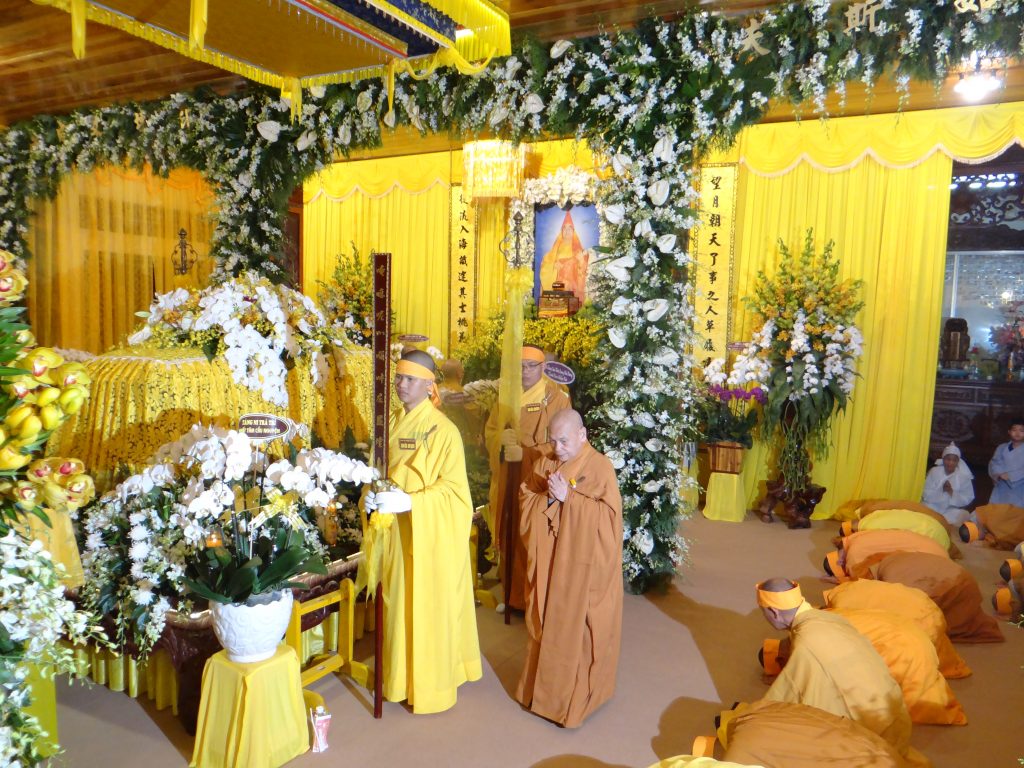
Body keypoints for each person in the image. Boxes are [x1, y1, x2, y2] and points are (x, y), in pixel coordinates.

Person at [361, 350, 482, 713]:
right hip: (394, 534)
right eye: (399, 377)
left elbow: (455, 493)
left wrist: (411, 502)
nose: (401, 385)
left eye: (410, 379)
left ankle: (431, 686)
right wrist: (371, 496)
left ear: (430, 385)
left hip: (428, 535)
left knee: (427, 609)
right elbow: (376, 471)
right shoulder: (389, 423)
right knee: (396, 606)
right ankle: (398, 678)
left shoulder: (444, 431)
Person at [515, 409, 623, 728]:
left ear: (582, 435)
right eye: (553, 441)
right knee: (544, 619)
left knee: (580, 628)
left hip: (581, 569)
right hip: (550, 562)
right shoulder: (546, 463)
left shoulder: (600, 468)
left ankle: (572, 704)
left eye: (564, 441)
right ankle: (540, 693)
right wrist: (549, 500)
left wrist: (569, 499)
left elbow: (610, 523)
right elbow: (527, 496)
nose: (557, 448)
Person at [755, 578, 914, 756]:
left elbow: (789, 697)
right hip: (896, 718)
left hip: (873, 739)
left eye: (763, 612)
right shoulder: (828, 618)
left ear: (774, 612)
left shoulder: (806, 643)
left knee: (764, 733)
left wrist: (757, 716)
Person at [484, 344, 571, 610]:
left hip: (538, 481)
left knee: (533, 535)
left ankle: (534, 599)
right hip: (509, 477)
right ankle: (512, 596)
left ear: (543, 367)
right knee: (509, 531)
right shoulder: (506, 397)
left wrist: (527, 454)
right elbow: (490, 431)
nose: (524, 372)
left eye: (530, 366)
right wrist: (500, 440)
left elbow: (563, 443)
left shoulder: (556, 398)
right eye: (519, 367)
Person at [539, 210, 589, 302]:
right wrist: (553, 267)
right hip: (557, 289)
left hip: (572, 290)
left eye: (570, 228)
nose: (567, 231)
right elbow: (546, 263)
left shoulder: (579, 250)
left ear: (573, 231)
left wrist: (581, 261)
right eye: (564, 228)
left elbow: (585, 270)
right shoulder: (555, 250)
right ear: (561, 231)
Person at [921, 442, 975, 526]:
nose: (950, 463)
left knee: (964, 514)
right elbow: (925, 491)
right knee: (922, 511)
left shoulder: (963, 477)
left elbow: (968, 497)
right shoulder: (934, 471)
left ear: (958, 462)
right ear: (943, 459)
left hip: (950, 510)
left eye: (954, 460)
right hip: (932, 506)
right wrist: (940, 490)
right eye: (948, 459)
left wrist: (951, 492)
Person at [988, 417, 1024, 506]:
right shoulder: (1001, 447)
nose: (1017, 433)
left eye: (1021, 430)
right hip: (1002, 483)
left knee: (1017, 510)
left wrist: (1011, 476)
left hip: (1020, 485)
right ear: (1009, 432)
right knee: (998, 508)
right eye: (1014, 430)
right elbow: (994, 463)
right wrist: (999, 473)